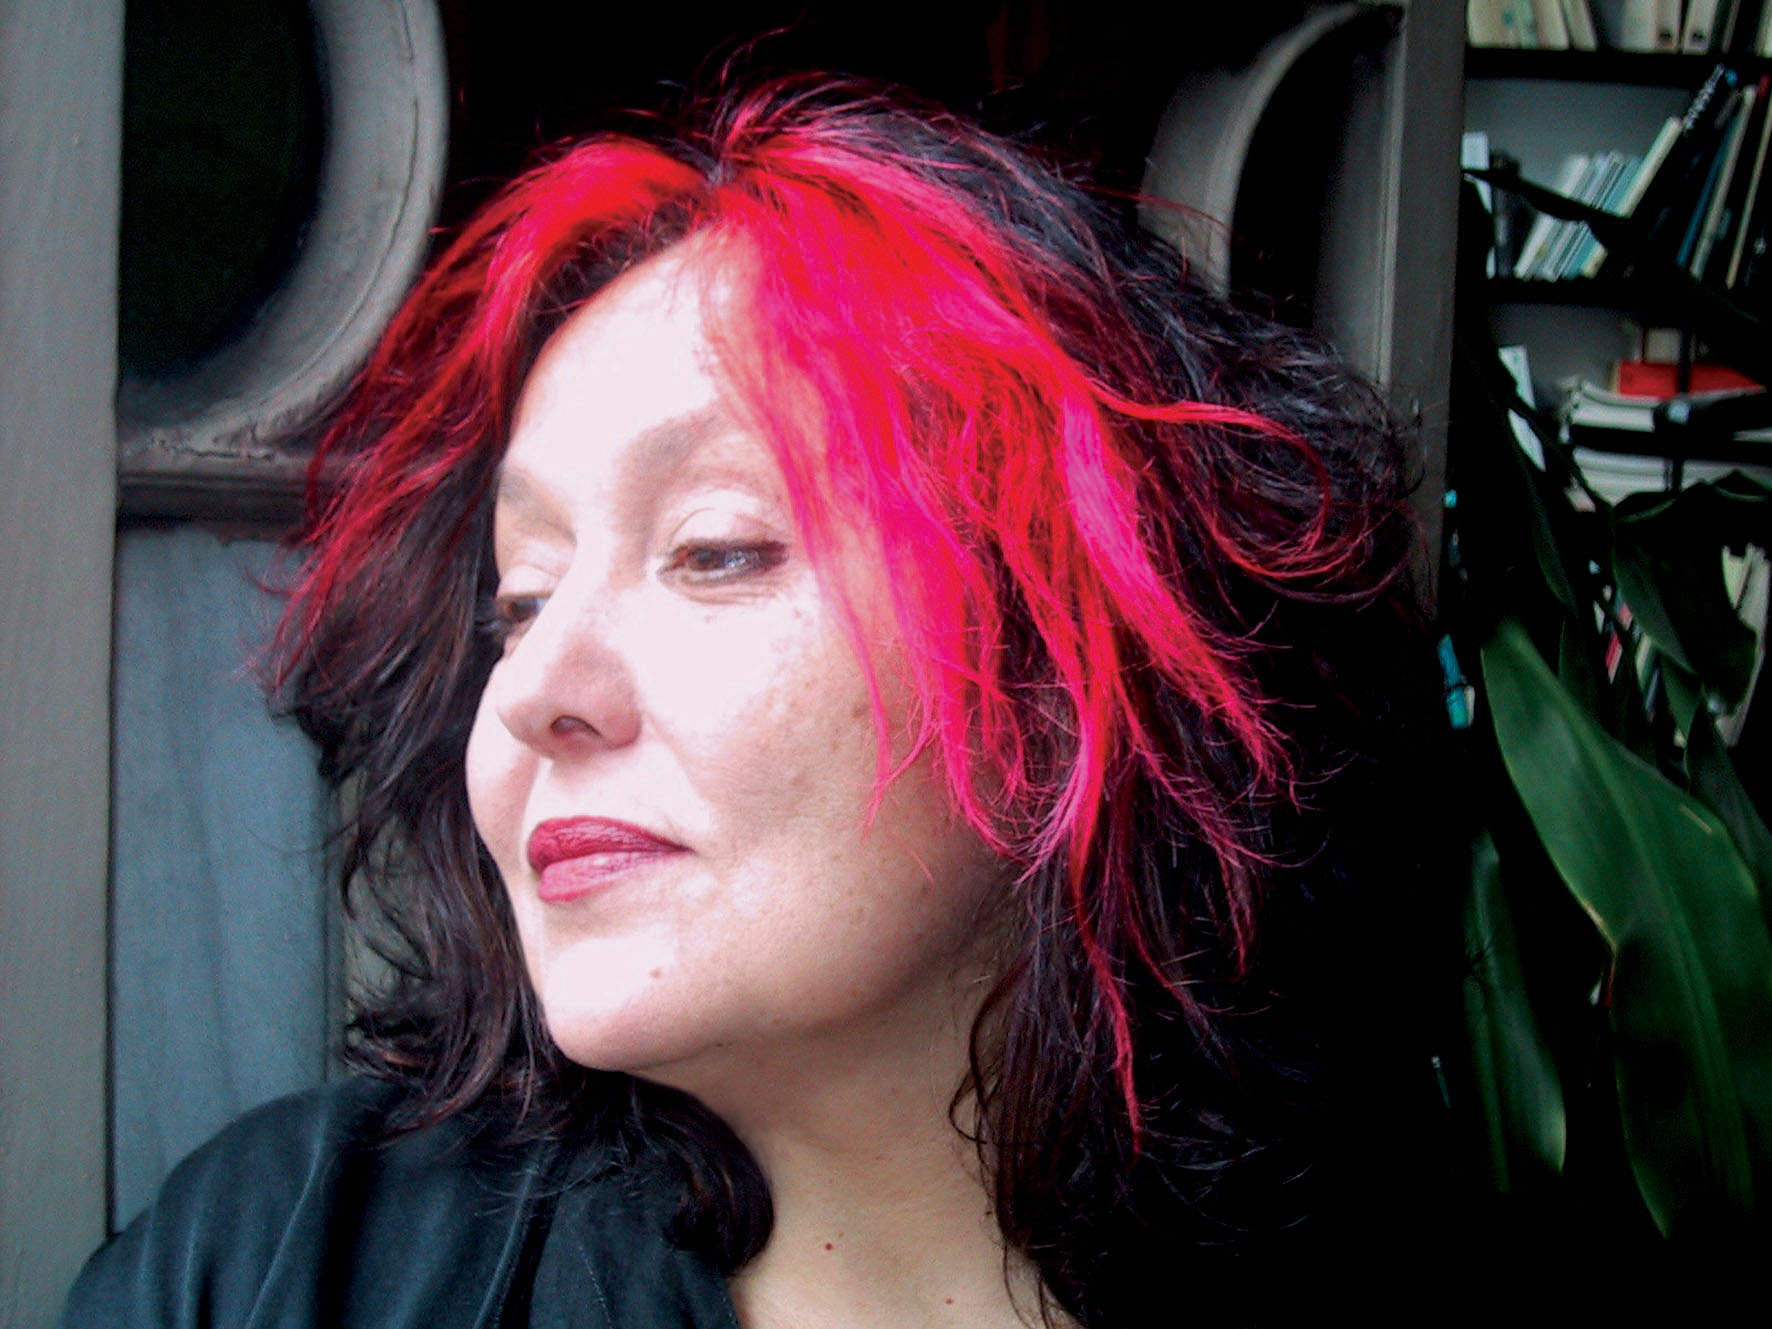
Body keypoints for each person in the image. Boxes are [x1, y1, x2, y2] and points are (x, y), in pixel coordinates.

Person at [63, 76, 1442, 1328]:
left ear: (1070, 667)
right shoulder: (275, 1265)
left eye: (716, 550)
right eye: (520, 601)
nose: (531, 689)